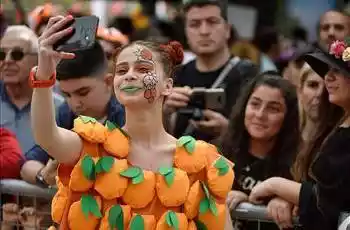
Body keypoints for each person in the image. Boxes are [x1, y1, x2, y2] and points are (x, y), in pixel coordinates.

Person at [31, 15, 235, 230]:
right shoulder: (94, 147)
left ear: (167, 86)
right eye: (122, 70)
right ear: (113, 83)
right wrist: (44, 72)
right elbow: (46, 135)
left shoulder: (202, 162)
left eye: (143, 69)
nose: (129, 76)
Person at [248, 39, 350, 229]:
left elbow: (333, 201)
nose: (328, 77)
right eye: (328, 70)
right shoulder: (339, 127)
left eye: (339, 70)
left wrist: (277, 186)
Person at [21, 41, 125, 187]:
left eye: (83, 92)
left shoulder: (127, 115)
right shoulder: (66, 113)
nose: (75, 103)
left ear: (108, 82)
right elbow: (28, 164)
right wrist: (44, 176)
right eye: (67, 95)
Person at [164, 0, 257, 142]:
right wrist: (163, 112)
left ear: (227, 30)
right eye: (194, 24)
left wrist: (227, 130)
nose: (204, 31)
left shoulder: (248, 75)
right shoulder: (175, 75)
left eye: (212, 22)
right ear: (186, 32)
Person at [222, 72, 300, 230]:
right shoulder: (217, 152)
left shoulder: (299, 164)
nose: (260, 115)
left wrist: (289, 200)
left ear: (288, 117)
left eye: (273, 109)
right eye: (255, 104)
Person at [0, 25, 64, 154]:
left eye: (17, 54)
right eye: (1, 55)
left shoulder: (60, 108)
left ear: (37, 59)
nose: (7, 61)